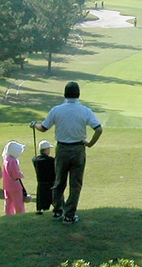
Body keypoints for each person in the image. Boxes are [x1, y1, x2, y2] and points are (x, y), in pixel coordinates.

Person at [31, 81, 103, 224]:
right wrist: (90, 144)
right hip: (78, 149)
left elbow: (44, 128)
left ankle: (58, 210)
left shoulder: (57, 110)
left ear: (65, 94)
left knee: (59, 182)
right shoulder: (85, 110)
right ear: (78, 94)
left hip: (62, 149)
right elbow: (98, 129)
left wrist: (34, 124)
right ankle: (69, 215)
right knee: (75, 184)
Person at [1, 141, 27, 215]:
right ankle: (21, 216)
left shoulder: (6, 159)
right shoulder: (13, 161)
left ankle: (8, 216)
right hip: (15, 186)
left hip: (7, 185)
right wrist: (21, 175)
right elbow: (15, 174)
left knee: (8, 202)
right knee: (19, 203)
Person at [31, 140, 56, 215]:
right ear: (47, 149)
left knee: (42, 205)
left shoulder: (35, 160)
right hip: (51, 184)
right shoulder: (51, 160)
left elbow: (34, 158)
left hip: (41, 185)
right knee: (56, 201)